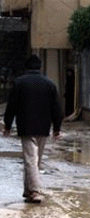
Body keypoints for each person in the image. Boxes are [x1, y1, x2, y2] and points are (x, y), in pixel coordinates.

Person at [3, 55, 63, 204]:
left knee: (30, 160)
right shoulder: (49, 84)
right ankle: (29, 191)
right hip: (43, 128)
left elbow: (11, 106)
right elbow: (56, 108)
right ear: (40, 67)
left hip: (26, 126)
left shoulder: (19, 83)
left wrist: (8, 125)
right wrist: (57, 128)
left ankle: (35, 191)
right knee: (34, 161)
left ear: (27, 67)